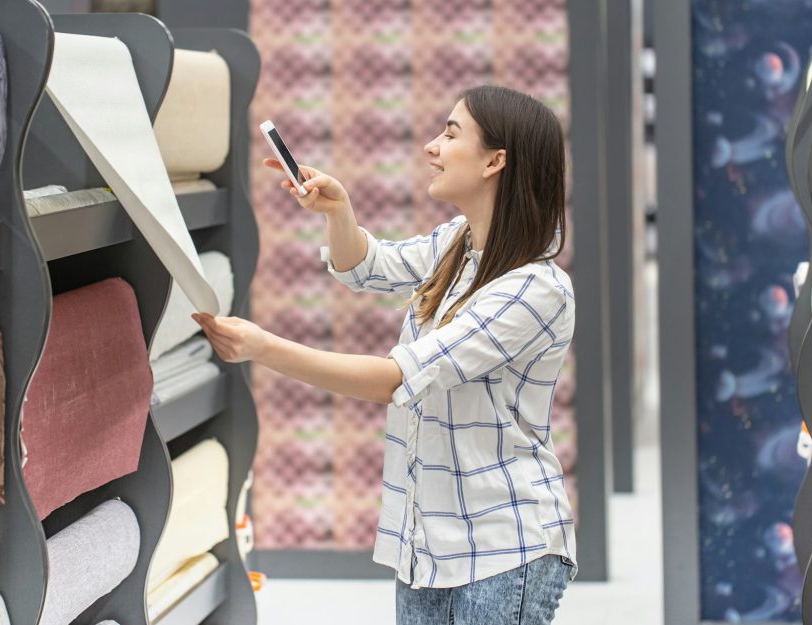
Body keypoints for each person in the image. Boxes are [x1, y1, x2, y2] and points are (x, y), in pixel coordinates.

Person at [192, 85, 576, 625]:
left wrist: (263, 348)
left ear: (496, 161)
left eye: (450, 133)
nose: (431, 147)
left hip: (503, 548)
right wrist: (338, 211)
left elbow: (395, 379)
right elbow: (368, 265)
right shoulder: (457, 246)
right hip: (427, 543)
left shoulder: (536, 290)